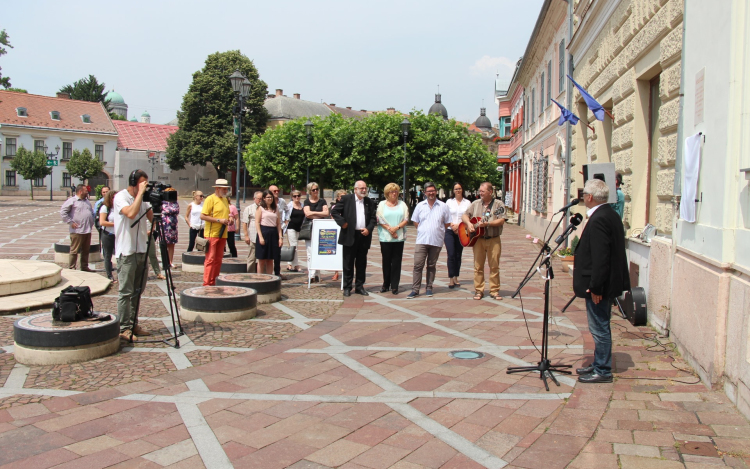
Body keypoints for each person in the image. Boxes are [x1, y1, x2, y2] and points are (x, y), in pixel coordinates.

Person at [574, 178, 630, 384]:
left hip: (600, 285)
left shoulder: (599, 219)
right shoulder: (610, 214)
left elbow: (601, 257)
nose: (582, 198)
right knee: (599, 325)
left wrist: (595, 286)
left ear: (589, 197)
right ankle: (599, 362)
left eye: (583, 195)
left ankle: (603, 370)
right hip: (605, 282)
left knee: (599, 327)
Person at [113, 169, 152, 341]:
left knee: (137, 291)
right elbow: (130, 213)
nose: (145, 186)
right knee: (126, 292)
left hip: (141, 250)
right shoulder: (120, 197)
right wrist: (141, 195)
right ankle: (124, 328)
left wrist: (155, 200)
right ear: (134, 183)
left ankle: (133, 323)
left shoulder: (143, 199)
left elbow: (152, 217)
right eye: (142, 183)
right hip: (127, 251)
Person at [462, 182, 507, 301]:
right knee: (478, 266)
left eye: (482, 191)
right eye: (480, 191)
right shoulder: (475, 203)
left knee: (494, 266)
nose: (480, 193)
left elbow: (502, 220)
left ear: (490, 192)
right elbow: (465, 216)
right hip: (478, 240)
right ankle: (479, 290)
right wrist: (469, 224)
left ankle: (494, 290)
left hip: (493, 239)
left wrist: (488, 223)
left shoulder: (498, 205)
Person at [331, 180, 376, 297]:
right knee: (348, 263)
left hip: (363, 235)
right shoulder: (347, 199)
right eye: (361, 188)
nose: (364, 190)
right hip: (349, 235)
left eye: (365, 188)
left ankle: (359, 287)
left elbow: (372, 218)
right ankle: (347, 287)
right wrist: (342, 223)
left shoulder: (369, 202)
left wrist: (369, 229)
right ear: (355, 189)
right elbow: (335, 211)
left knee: (361, 263)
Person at [407, 182, 451, 299]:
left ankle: (429, 287)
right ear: (425, 193)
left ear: (436, 191)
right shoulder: (420, 206)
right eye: (428, 191)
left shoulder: (443, 206)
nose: (431, 193)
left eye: (433, 191)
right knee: (418, 265)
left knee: (431, 265)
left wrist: (436, 230)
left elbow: (447, 223)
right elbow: (415, 222)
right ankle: (415, 290)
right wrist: (424, 230)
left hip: (436, 241)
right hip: (422, 240)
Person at [376, 183, 409, 294]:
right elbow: (379, 218)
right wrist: (391, 230)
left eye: (395, 191)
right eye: (391, 191)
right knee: (386, 261)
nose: (394, 193)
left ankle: (395, 285)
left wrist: (396, 228)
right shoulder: (382, 204)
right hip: (385, 237)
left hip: (399, 238)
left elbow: (406, 218)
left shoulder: (402, 204)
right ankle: (386, 283)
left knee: (396, 262)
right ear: (387, 193)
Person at [200, 179, 234, 286]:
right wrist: (219, 220)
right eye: (224, 189)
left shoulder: (225, 200)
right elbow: (203, 215)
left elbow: (225, 213)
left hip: (223, 233)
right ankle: (207, 282)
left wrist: (230, 218)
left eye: (226, 189)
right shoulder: (210, 199)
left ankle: (214, 280)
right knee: (210, 258)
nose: (225, 191)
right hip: (212, 234)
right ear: (217, 188)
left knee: (218, 259)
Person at [60, 184, 95, 271]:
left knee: (86, 250)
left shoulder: (87, 201)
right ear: (80, 191)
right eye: (85, 190)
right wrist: (70, 222)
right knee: (74, 250)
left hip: (87, 230)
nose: (87, 192)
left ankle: (84, 266)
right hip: (77, 231)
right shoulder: (72, 201)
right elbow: (63, 212)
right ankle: (72, 267)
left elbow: (91, 212)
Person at [445, 182, 471, 289]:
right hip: (450, 230)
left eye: (459, 188)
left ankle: (456, 276)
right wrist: (452, 225)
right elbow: (445, 216)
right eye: (456, 189)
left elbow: (469, 217)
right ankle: (451, 278)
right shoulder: (449, 202)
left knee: (458, 254)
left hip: (462, 231)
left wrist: (460, 225)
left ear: (462, 190)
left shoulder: (467, 203)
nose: (458, 190)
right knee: (451, 254)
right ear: (453, 190)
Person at [303, 181, 329, 283]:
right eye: (313, 190)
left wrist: (313, 213)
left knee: (318, 251)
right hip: (309, 228)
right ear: (310, 191)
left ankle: (317, 275)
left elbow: (326, 213)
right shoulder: (306, 202)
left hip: (320, 228)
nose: (316, 191)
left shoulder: (322, 201)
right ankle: (312, 275)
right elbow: (307, 214)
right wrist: (319, 214)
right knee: (310, 252)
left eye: (317, 189)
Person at [255, 190, 283, 274]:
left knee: (270, 259)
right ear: (264, 198)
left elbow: (278, 224)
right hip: (264, 231)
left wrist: (280, 237)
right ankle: (259, 278)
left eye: (271, 197)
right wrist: (260, 236)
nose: (270, 199)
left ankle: (269, 278)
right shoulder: (260, 208)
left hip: (273, 233)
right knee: (262, 259)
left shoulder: (276, 208)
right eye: (268, 197)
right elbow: (257, 222)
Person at [269, 185, 288, 276]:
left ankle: (277, 272)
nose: (277, 192)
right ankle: (267, 273)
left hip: (278, 228)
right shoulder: (267, 202)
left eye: (278, 190)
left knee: (277, 252)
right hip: (268, 227)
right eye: (274, 191)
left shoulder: (282, 201)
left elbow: (287, 210)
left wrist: (286, 221)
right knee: (268, 251)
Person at [98, 189, 117, 281]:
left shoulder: (119, 207)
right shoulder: (105, 208)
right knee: (108, 255)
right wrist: (115, 224)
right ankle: (109, 275)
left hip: (118, 234)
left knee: (120, 254)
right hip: (108, 234)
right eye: (114, 197)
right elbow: (102, 222)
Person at [242, 191, 262, 273]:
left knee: (262, 258)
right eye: (259, 199)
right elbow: (244, 223)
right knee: (251, 257)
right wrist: (246, 235)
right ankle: (250, 273)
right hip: (253, 235)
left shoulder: (265, 208)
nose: (260, 200)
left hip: (263, 236)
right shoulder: (249, 208)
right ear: (254, 199)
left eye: (262, 199)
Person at [329, 189, 347, 281]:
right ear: (338, 198)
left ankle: (345, 272)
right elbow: (333, 218)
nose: (343, 198)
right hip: (336, 231)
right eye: (341, 196)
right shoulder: (334, 207)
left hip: (346, 231)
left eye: (345, 196)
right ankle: (336, 272)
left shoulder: (349, 206)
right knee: (336, 252)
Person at [285, 190, 305, 272]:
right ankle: (296, 265)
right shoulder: (289, 205)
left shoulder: (302, 205)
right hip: (291, 227)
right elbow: (285, 215)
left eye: (298, 196)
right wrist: (285, 222)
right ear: (292, 197)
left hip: (299, 228)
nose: (297, 197)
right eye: (294, 196)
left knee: (294, 246)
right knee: (294, 246)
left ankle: (289, 263)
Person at [160, 188, 179, 267]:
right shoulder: (162, 202)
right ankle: (165, 261)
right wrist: (170, 211)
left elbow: (177, 210)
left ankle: (170, 261)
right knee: (164, 244)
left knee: (172, 244)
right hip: (164, 225)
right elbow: (166, 210)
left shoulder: (175, 202)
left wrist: (168, 211)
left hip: (173, 226)